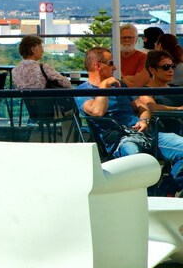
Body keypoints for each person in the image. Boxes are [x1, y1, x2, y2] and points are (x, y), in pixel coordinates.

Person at [77, 47, 183, 197]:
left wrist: (144, 120)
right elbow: (97, 111)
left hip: (144, 134)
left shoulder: (119, 85)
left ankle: (164, 192)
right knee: (137, 160)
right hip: (119, 140)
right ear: (98, 66)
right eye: (110, 63)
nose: (114, 67)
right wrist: (103, 86)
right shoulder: (82, 91)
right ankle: (145, 198)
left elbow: (143, 107)